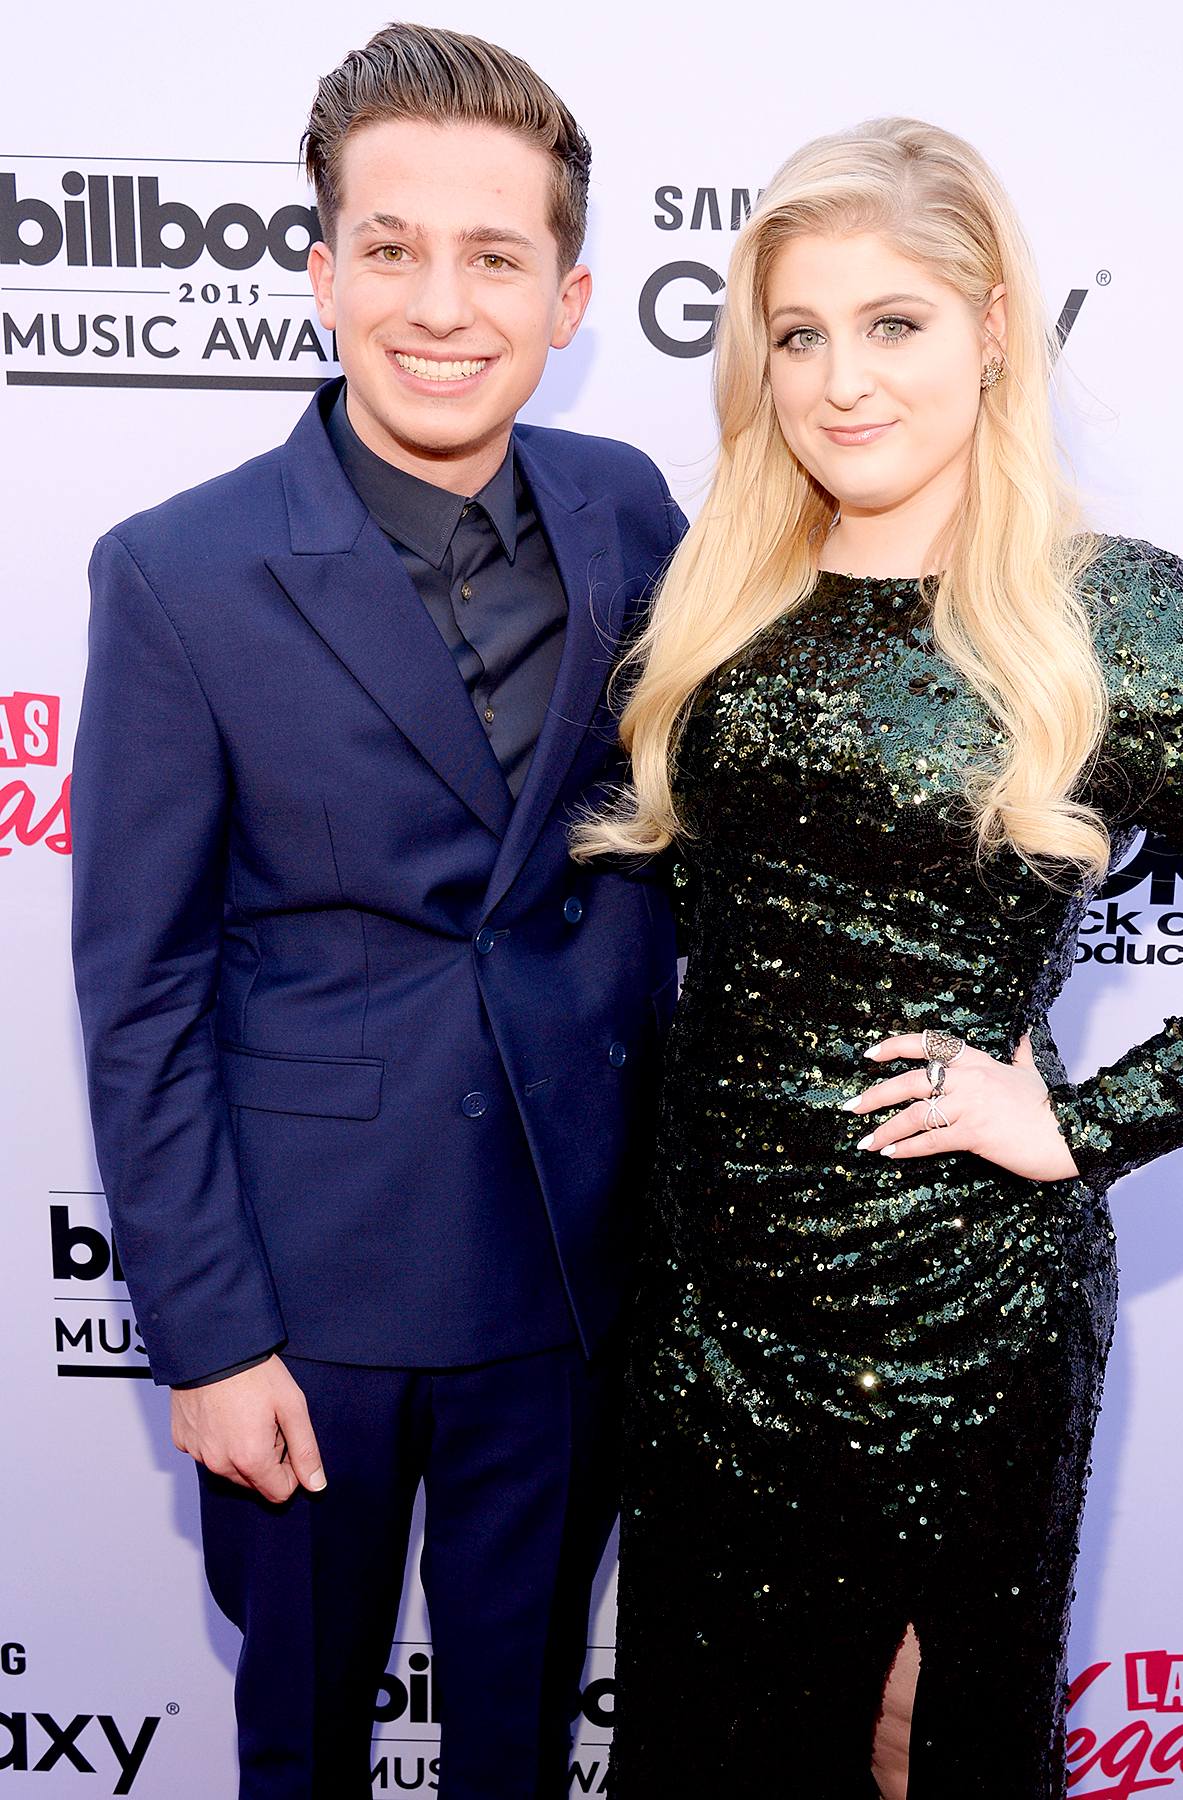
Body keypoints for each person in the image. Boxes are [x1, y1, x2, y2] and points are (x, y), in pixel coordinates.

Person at [573, 120, 1183, 1799]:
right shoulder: (718, 596)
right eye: (799, 334)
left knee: (922, 1749)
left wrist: (1081, 1125)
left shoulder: (1112, 617)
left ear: (993, 329)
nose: (841, 381)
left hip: (955, 1317)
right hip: (707, 1305)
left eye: (893, 323)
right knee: (698, 1755)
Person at [70, 25, 683, 1800]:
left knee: (522, 1742)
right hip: (307, 1304)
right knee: (302, 1745)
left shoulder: (631, 512)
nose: (441, 305)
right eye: (392, 249)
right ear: (323, 273)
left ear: (568, 299)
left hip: (569, 1287)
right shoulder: (176, 572)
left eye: (495, 256)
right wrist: (210, 1338)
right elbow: (142, 990)